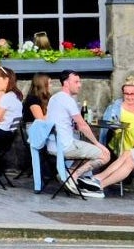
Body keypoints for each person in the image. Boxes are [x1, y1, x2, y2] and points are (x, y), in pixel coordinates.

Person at [46, 69, 113, 198]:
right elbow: (82, 125)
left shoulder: (54, 98)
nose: (79, 85)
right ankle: (73, 176)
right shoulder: (68, 100)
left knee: (86, 149)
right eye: (76, 82)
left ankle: (69, 173)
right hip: (65, 146)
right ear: (66, 83)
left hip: (52, 145)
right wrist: (98, 143)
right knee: (105, 155)